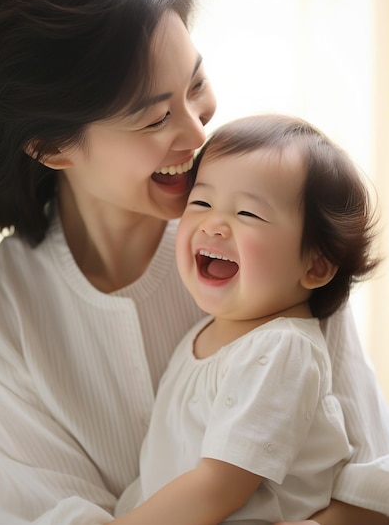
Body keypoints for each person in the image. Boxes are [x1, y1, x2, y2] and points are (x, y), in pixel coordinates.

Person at [0, 0, 388, 525]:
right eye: (155, 117)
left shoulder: (270, 230)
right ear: (54, 147)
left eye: (196, 86)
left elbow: (372, 477)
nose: (198, 137)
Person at [112, 114, 388, 525]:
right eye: (201, 202)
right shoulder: (205, 334)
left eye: (248, 214)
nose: (214, 224)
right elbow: (165, 469)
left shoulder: (281, 348)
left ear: (315, 266)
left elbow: (218, 486)